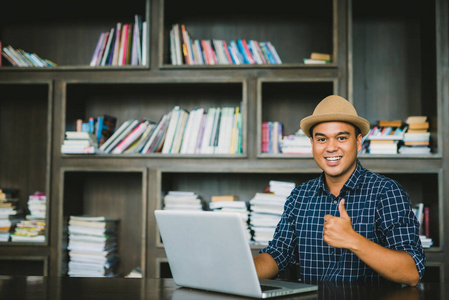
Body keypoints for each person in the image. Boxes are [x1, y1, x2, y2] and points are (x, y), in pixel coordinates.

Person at [253, 95, 425, 286]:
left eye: (341, 138)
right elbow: (278, 254)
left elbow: (412, 272)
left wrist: (353, 240)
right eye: (322, 139)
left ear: (358, 142)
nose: (331, 147)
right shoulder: (299, 197)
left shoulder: (387, 192)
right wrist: (241, 270)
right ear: (312, 145)